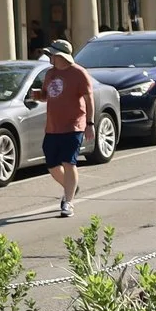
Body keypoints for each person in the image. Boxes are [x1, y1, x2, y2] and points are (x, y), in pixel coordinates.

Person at [36, 40, 95, 219]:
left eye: (52, 54)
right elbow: (47, 96)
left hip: (74, 125)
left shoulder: (78, 73)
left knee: (69, 162)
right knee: (52, 165)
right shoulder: (50, 74)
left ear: (60, 56)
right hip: (53, 127)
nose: (49, 57)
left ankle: (68, 202)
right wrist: (38, 95)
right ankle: (71, 186)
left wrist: (90, 124)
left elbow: (88, 99)